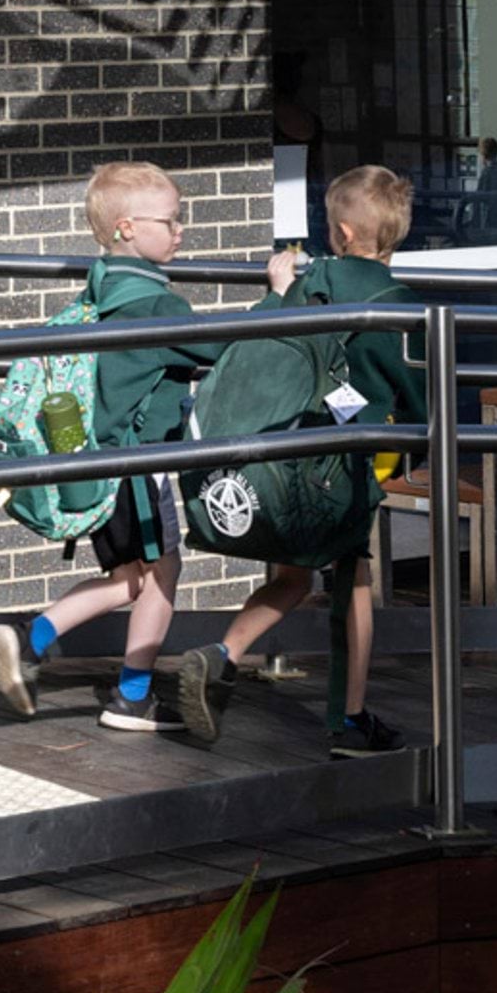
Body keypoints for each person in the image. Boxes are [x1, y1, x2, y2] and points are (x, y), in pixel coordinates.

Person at [175, 164, 424, 758]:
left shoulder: (305, 285)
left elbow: (258, 343)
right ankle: (349, 719)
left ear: (338, 232)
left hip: (292, 453)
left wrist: (276, 289)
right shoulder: (400, 302)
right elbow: (418, 396)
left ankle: (223, 653)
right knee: (355, 583)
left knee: (293, 575)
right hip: (350, 464)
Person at [0, 160, 219, 733]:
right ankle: (129, 695)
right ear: (125, 228)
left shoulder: (96, 298)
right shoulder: (157, 306)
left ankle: (34, 639)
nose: (180, 230)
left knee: (131, 578)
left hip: (98, 463)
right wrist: (284, 300)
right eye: (169, 220)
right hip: (140, 468)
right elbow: (222, 351)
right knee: (161, 576)